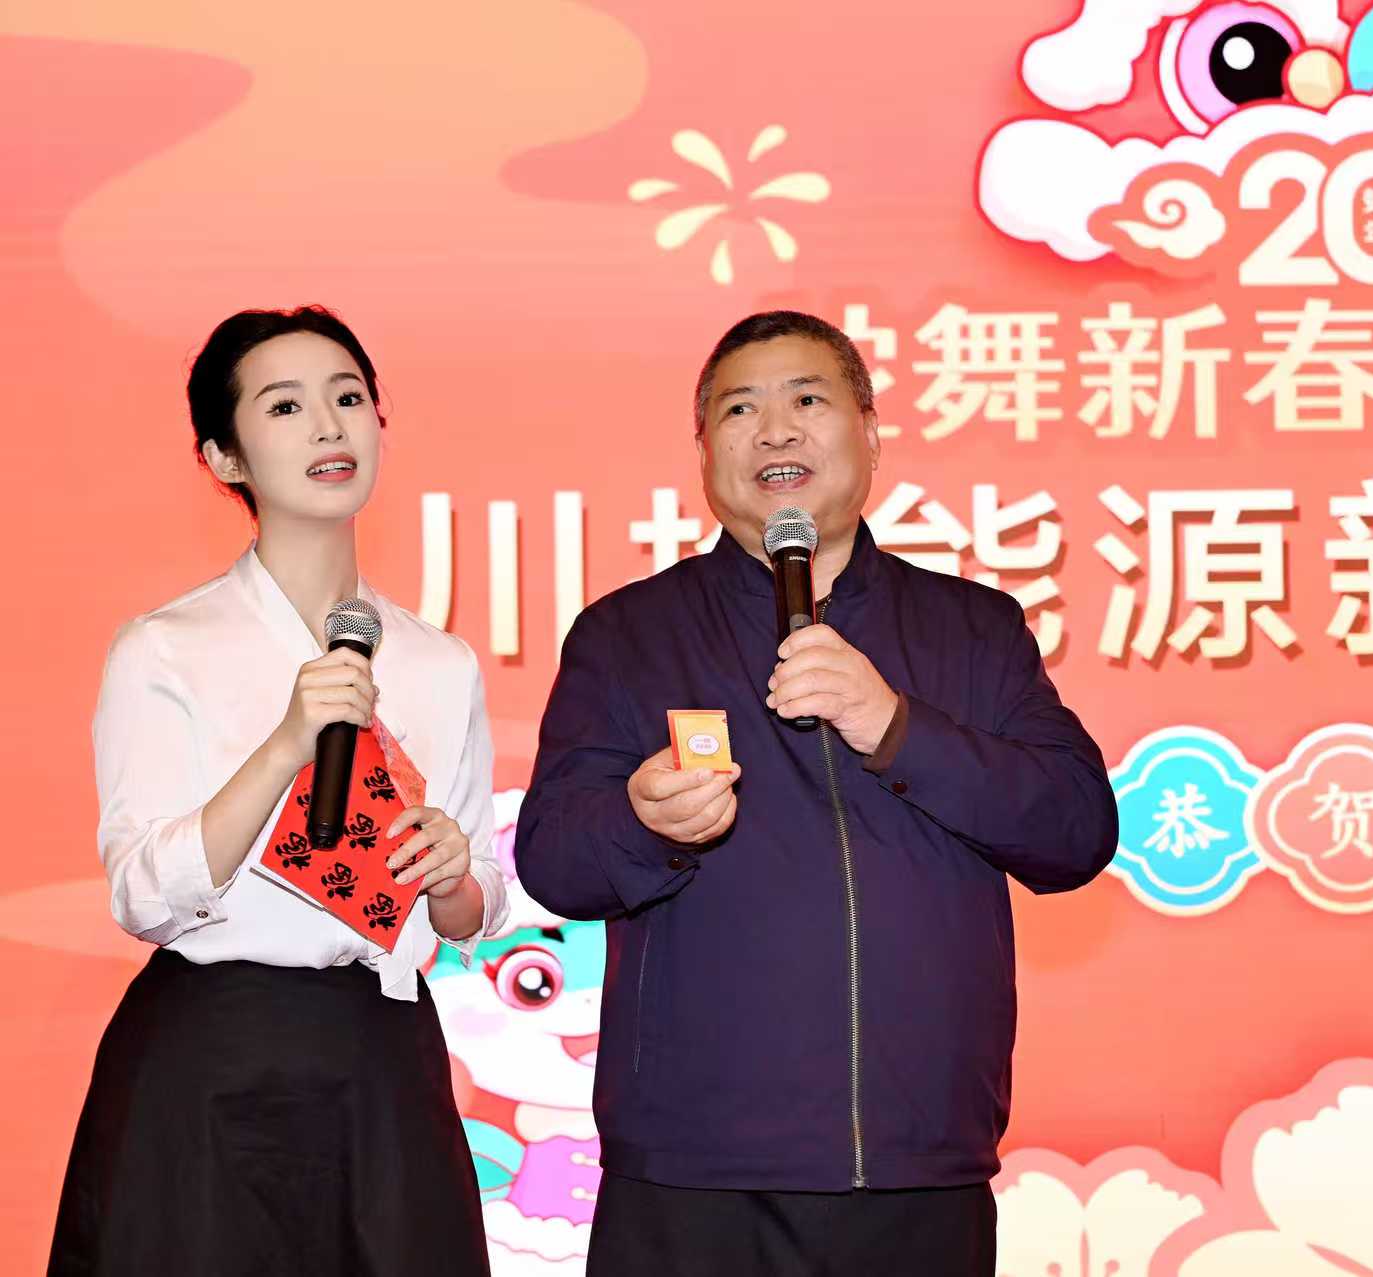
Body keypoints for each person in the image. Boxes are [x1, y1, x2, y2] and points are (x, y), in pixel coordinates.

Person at [514, 309, 1117, 1276]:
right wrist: (642, 821)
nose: (775, 431)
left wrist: (897, 726)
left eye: (807, 399)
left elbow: (1076, 829)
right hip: (693, 1177)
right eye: (739, 409)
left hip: (918, 1166)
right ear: (704, 450)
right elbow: (552, 858)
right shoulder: (628, 635)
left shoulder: (974, 629)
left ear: (870, 432)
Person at [50, 306, 508, 1275]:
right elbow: (141, 892)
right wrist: (285, 744)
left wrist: (455, 876)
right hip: (213, 1059)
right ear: (225, 456)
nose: (329, 426)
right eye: (286, 406)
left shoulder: (441, 662)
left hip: (381, 1061)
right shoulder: (164, 648)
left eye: (349, 398)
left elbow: (471, 914)